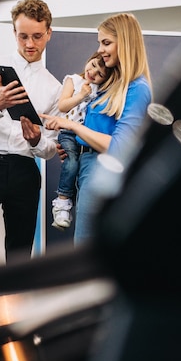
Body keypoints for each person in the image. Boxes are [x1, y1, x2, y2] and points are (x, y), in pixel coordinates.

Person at [0, 0, 62, 264]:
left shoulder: (55, 88)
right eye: (23, 36)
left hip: (24, 171)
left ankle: (15, 304)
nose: (30, 44)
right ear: (14, 33)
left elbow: (51, 149)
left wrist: (37, 139)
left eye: (37, 36)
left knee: (19, 254)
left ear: (49, 33)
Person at [41, 12, 153, 245]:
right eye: (100, 43)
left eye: (106, 42)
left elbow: (120, 146)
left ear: (125, 42)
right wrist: (76, 147)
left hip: (101, 172)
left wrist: (70, 125)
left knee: (86, 247)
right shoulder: (110, 85)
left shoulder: (137, 88)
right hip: (87, 168)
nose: (100, 50)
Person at [51, 52, 113, 231]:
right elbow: (63, 106)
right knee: (70, 163)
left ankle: (71, 205)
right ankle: (62, 202)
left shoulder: (99, 90)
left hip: (86, 139)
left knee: (79, 169)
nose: (93, 73)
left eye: (100, 73)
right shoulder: (73, 80)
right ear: (89, 59)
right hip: (68, 133)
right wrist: (81, 95)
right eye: (93, 65)